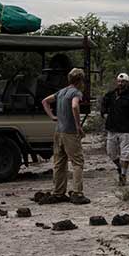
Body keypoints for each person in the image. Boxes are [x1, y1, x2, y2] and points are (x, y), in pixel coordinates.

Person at [40, 67, 88, 203]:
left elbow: (44, 101)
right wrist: (78, 126)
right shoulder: (76, 92)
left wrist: (53, 116)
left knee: (59, 162)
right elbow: (74, 106)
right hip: (70, 132)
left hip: (58, 131)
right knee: (77, 162)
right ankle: (77, 194)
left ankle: (58, 193)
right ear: (80, 80)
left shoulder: (61, 92)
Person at [100, 71, 129, 186]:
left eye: (123, 82)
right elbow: (104, 103)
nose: (120, 83)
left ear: (127, 82)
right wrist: (104, 113)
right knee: (111, 152)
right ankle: (119, 168)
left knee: (125, 153)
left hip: (126, 129)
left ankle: (123, 175)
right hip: (112, 127)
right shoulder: (111, 94)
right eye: (119, 81)